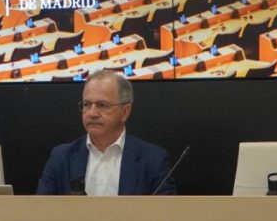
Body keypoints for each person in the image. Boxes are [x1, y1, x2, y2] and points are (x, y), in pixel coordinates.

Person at [36, 70, 175, 195]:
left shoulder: (154, 160)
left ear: (124, 112)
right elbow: (40, 210)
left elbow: (167, 213)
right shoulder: (61, 158)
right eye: (87, 104)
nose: (92, 113)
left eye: (102, 105)